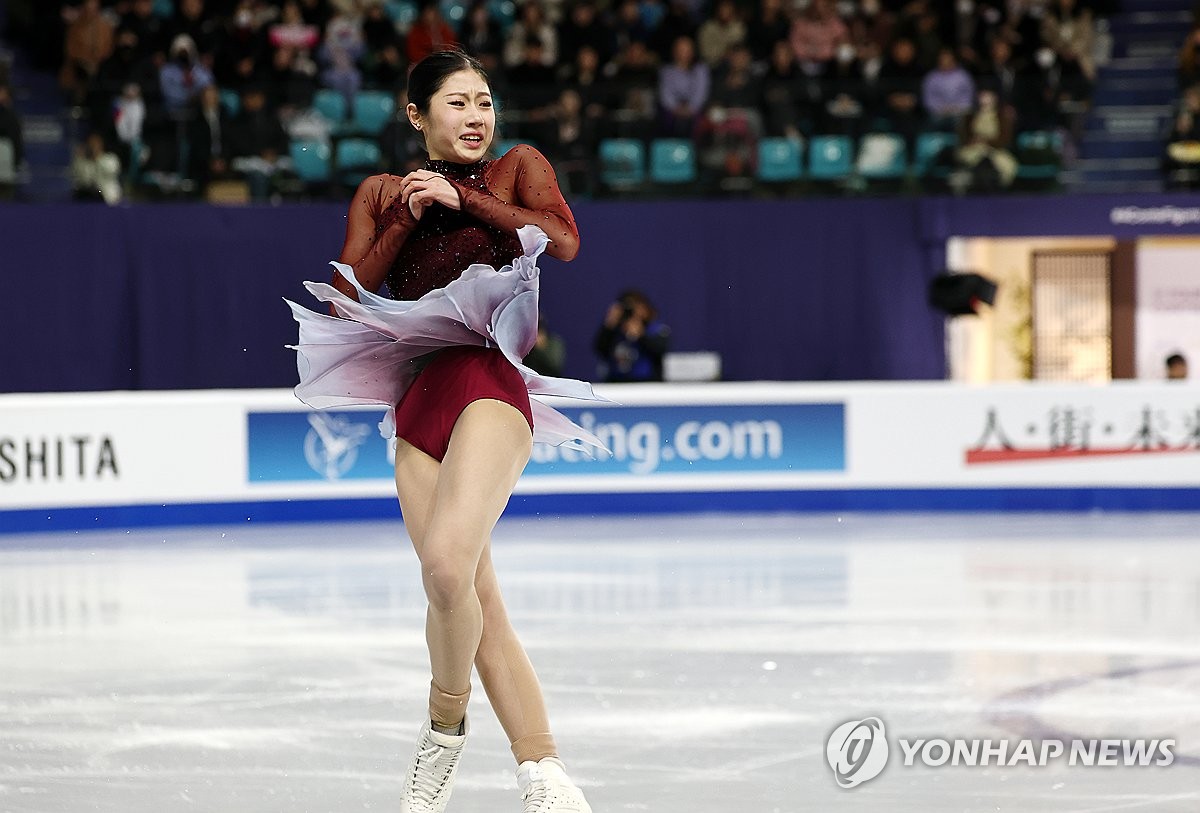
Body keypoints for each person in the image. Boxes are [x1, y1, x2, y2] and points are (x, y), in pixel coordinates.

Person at [286, 50, 602, 813]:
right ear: (417, 115)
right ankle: (539, 769)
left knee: (449, 565)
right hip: (418, 402)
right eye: (457, 103)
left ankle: (447, 732)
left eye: (484, 102)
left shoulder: (514, 169)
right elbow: (347, 296)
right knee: (460, 587)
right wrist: (408, 213)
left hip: (488, 384)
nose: (476, 117)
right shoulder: (385, 191)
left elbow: (562, 240)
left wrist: (470, 205)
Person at [593, 289, 670, 382]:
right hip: (616, 384)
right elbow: (600, 349)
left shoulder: (655, 330)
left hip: (647, 385)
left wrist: (641, 336)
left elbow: (659, 350)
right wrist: (609, 326)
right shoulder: (614, 331)